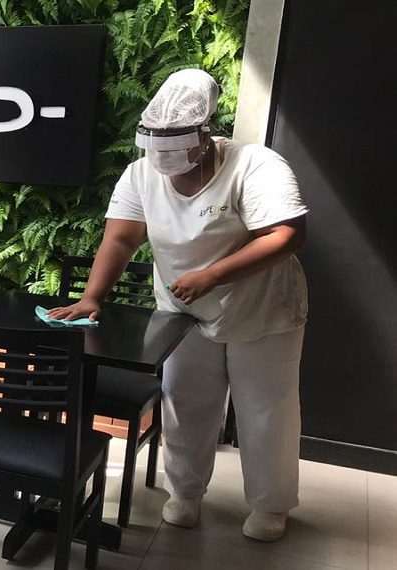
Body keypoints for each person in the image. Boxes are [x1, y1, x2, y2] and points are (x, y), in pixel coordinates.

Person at [50, 69, 308, 542]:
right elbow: (121, 238)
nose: (168, 166)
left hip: (262, 309)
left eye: (179, 154)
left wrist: (212, 275)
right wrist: (91, 297)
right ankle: (185, 493)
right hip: (183, 313)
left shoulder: (255, 166)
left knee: (265, 410)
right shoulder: (141, 173)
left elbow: (286, 234)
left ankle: (270, 506)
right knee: (184, 402)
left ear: (205, 135)